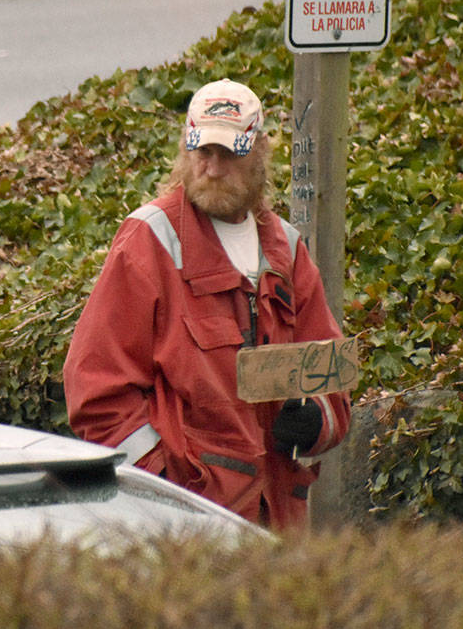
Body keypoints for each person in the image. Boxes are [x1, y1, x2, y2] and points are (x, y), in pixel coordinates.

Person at [63, 78, 351, 531]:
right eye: (203, 153)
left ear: (259, 153)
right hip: (183, 528)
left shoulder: (286, 250)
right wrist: (165, 492)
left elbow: (333, 377)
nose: (213, 169)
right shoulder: (149, 240)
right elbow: (97, 394)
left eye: (230, 154)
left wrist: (316, 421)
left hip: (276, 522)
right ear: (186, 151)